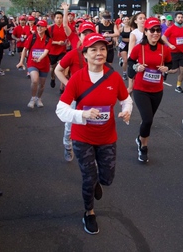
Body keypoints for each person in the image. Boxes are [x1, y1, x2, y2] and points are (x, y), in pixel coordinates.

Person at [55, 33, 132, 235]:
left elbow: (126, 99)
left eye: (103, 49)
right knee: (88, 178)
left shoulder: (113, 77)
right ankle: (89, 212)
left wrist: (126, 111)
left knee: (107, 179)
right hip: (83, 138)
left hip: (107, 137)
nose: (99, 53)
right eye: (94, 50)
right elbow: (61, 110)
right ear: (85, 54)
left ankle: (99, 181)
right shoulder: (77, 79)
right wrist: (83, 114)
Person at [129, 17, 173, 163]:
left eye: (158, 30)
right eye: (152, 30)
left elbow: (170, 64)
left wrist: (167, 69)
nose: (155, 33)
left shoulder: (164, 49)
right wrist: (136, 67)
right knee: (147, 119)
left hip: (157, 90)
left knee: (149, 121)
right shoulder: (139, 48)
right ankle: (143, 147)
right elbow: (130, 66)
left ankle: (140, 137)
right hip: (141, 89)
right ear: (146, 32)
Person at [55, 21, 98, 162]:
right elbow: (58, 70)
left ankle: (91, 153)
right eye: (84, 34)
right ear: (79, 36)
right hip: (76, 96)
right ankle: (68, 146)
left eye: (90, 33)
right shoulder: (74, 54)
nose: (86, 36)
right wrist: (69, 85)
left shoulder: (100, 54)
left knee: (94, 125)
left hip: (93, 96)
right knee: (70, 125)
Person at [19, 19, 52, 108]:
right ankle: (33, 98)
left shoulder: (48, 39)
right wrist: (21, 62)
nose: (39, 28)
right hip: (32, 63)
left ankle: (39, 98)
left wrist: (40, 58)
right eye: (38, 26)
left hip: (44, 64)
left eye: (42, 26)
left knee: (42, 85)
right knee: (35, 80)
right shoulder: (32, 37)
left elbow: (46, 51)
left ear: (45, 28)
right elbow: (25, 49)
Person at [48, 4, 73, 92]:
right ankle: (52, 78)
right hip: (52, 52)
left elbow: (69, 37)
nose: (59, 19)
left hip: (62, 51)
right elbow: (48, 41)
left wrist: (68, 42)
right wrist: (57, 42)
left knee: (62, 67)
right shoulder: (50, 28)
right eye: (57, 18)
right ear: (54, 19)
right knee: (52, 68)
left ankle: (62, 86)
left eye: (60, 18)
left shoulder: (66, 28)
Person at [163, 11, 183, 93]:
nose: (180, 19)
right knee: (174, 70)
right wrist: (169, 45)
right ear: (175, 19)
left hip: (182, 52)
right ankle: (165, 71)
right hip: (173, 52)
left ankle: (178, 86)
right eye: (179, 17)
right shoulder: (171, 28)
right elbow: (163, 37)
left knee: (182, 70)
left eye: (181, 17)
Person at [127, 12, 147, 93]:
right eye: (140, 18)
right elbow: (131, 50)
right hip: (135, 61)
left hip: (145, 61)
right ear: (135, 21)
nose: (143, 20)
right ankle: (127, 104)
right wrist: (136, 62)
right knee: (131, 88)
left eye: (144, 18)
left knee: (143, 87)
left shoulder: (148, 32)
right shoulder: (134, 33)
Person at [118, 15, 132, 80]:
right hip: (123, 44)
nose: (126, 20)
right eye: (125, 19)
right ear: (123, 21)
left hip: (130, 44)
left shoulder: (131, 28)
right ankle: (124, 73)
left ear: (129, 20)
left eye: (127, 19)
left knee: (130, 60)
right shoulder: (121, 29)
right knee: (125, 60)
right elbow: (118, 38)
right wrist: (118, 48)